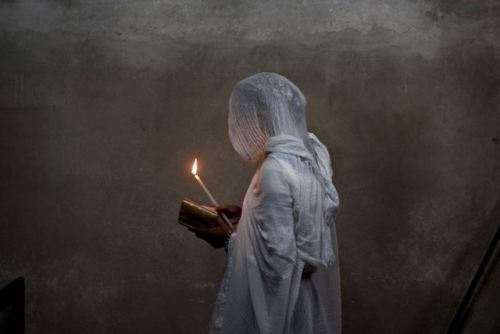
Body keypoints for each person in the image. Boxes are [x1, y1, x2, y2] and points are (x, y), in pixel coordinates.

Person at [199, 72, 341, 334]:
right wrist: (247, 215)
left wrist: (227, 239)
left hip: (281, 309)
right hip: (305, 302)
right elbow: (298, 223)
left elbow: (279, 265)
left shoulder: (274, 169)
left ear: (263, 118)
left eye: (246, 117)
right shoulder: (309, 158)